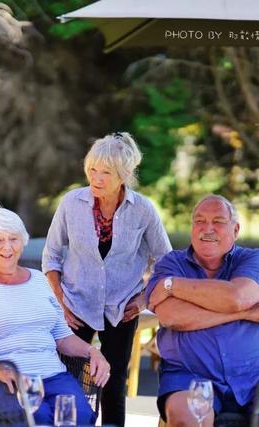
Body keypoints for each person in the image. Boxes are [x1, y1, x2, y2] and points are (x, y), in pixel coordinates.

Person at [145, 195, 259, 427]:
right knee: (187, 418)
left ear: (235, 229)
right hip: (190, 375)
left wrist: (172, 285)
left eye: (218, 221)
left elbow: (236, 297)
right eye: (199, 221)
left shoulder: (254, 259)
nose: (207, 228)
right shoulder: (171, 264)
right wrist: (244, 313)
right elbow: (171, 316)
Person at [42, 132, 172, 426]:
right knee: (66, 380)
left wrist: (142, 300)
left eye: (106, 172)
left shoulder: (143, 210)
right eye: (92, 170)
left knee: (114, 384)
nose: (96, 178)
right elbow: (50, 257)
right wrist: (62, 304)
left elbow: (166, 260)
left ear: (123, 175)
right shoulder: (71, 203)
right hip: (75, 304)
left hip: (122, 306)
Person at [0, 208, 110, 426]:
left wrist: (92, 351)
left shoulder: (38, 280)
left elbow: (62, 337)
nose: (7, 247)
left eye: (13, 239)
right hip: (3, 379)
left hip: (53, 376)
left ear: (23, 241)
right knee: (37, 417)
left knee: (78, 417)